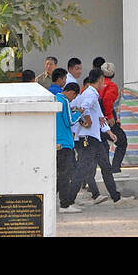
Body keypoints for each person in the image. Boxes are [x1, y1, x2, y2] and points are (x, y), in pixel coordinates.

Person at [72, 69, 122, 204]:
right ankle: (68, 200)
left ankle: (116, 197)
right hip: (88, 139)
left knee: (106, 167)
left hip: (95, 138)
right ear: (100, 80)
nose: (103, 84)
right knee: (82, 169)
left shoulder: (93, 93)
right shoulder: (90, 94)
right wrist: (87, 121)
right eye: (103, 81)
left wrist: (108, 132)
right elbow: (83, 107)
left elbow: (100, 116)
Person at [56, 82, 81, 212]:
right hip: (65, 143)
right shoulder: (64, 101)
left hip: (56, 143)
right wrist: (79, 114)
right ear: (72, 92)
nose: (73, 99)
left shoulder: (55, 98)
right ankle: (65, 204)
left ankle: (50, 200)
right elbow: (70, 121)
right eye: (74, 97)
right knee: (65, 175)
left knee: (59, 175)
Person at [99, 61, 127, 172]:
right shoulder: (112, 86)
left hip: (96, 118)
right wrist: (110, 116)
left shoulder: (94, 85)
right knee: (122, 141)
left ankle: (104, 168)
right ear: (113, 74)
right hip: (107, 117)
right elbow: (107, 100)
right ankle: (114, 168)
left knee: (101, 143)